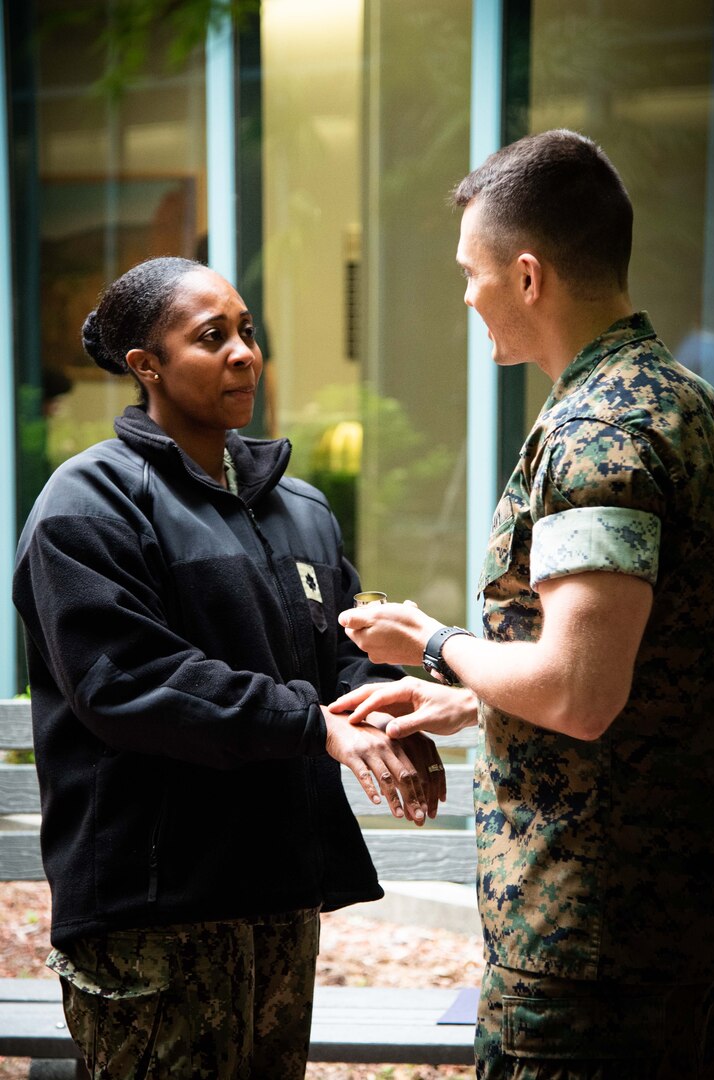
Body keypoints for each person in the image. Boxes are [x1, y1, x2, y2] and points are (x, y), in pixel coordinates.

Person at [330, 129, 714, 1079]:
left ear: (529, 275)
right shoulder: (680, 399)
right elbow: (646, 657)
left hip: (588, 938)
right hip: (666, 915)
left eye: (472, 271)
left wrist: (433, 641)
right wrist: (473, 700)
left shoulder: (598, 434)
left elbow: (580, 692)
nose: (466, 294)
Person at [12, 256, 445, 1080]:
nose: (244, 352)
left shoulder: (300, 508)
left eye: (248, 332)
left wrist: (383, 712)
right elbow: (131, 685)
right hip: (153, 908)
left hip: (280, 892)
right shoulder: (88, 505)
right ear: (146, 365)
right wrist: (311, 723)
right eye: (212, 338)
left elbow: (341, 656)